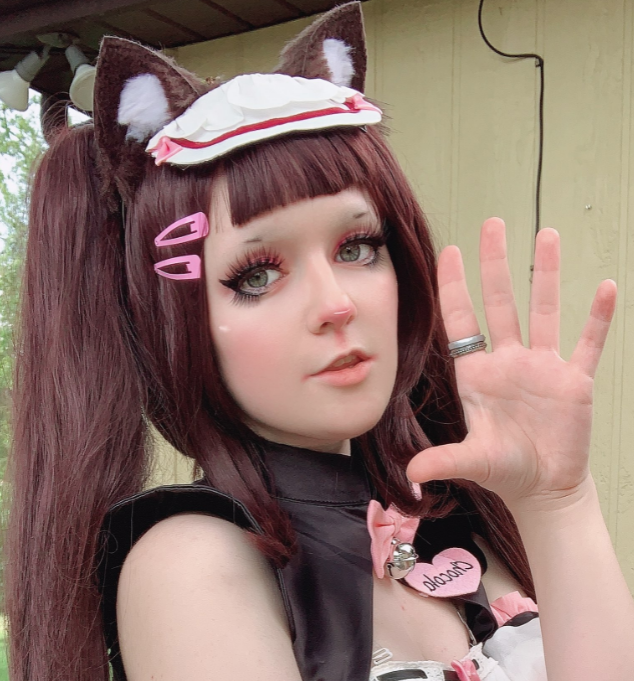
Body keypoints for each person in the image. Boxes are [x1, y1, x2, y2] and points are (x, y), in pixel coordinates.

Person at [4, 3, 633, 681]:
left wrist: (558, 503)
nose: (336, 303)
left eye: (356, 247)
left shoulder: (449, 523)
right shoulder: (194, 565)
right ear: (174, 320)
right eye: (256, 275)